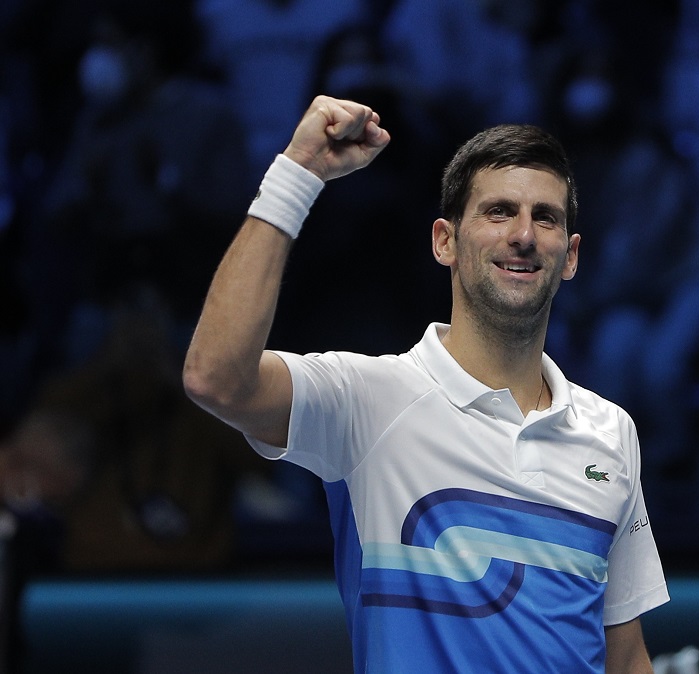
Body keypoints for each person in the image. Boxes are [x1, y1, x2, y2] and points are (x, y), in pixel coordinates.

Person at [183, 96, 669, 673]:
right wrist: (298, 173)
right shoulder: (367, 400)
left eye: (546, 217)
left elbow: (626, 656)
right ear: (445, 241)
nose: (523, 234)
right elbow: (216, 378)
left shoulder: (611, 432)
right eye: (498, 212)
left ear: (570, 255)